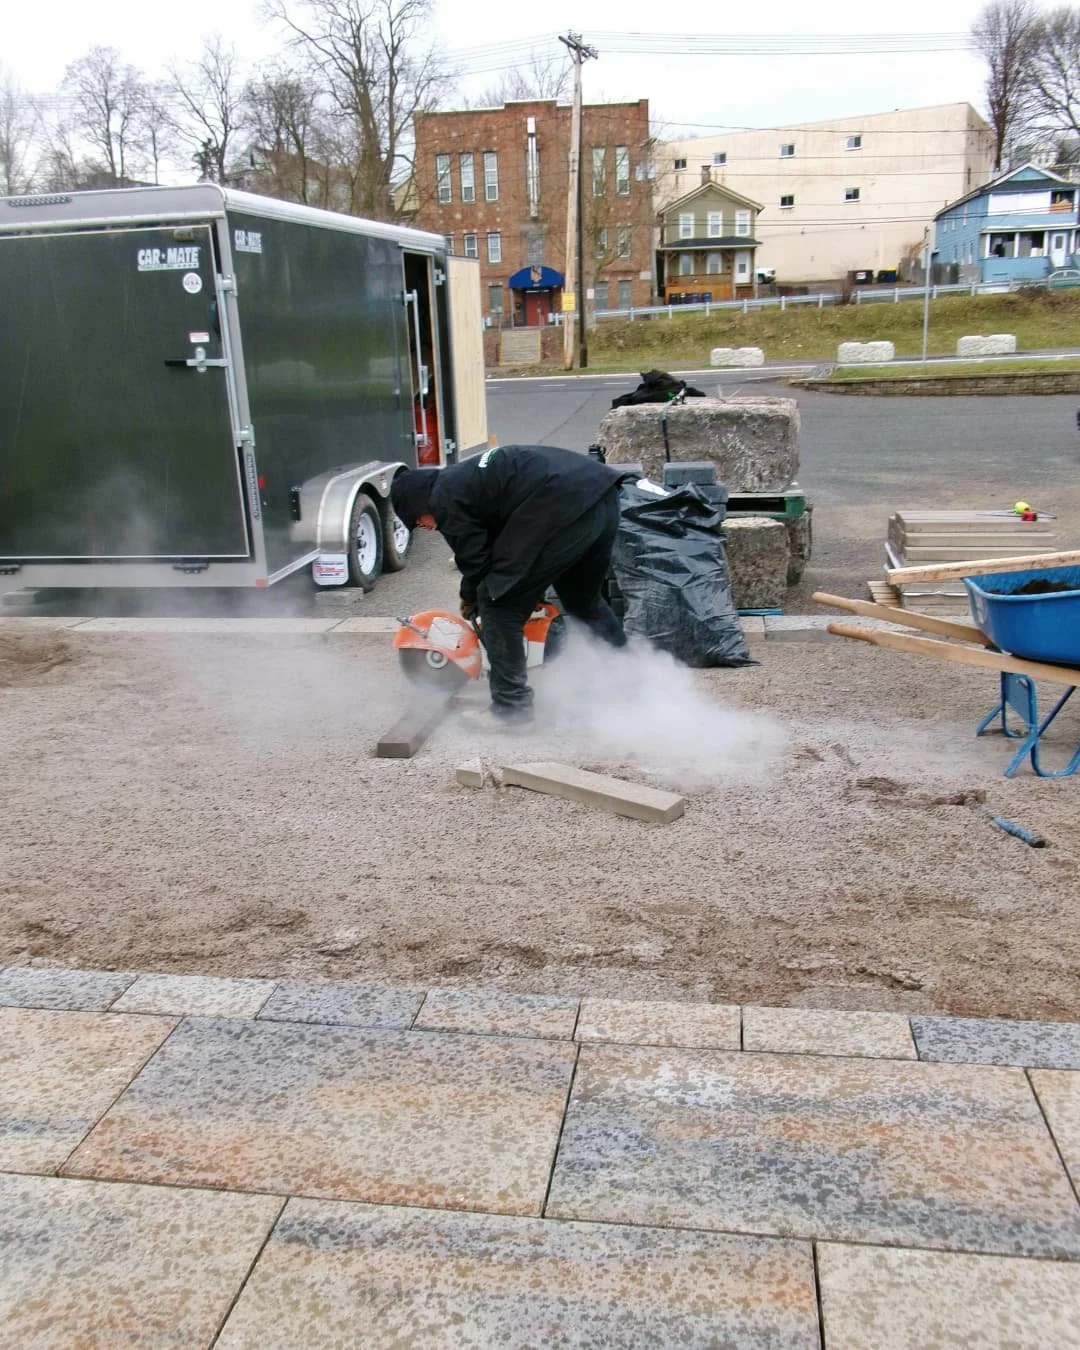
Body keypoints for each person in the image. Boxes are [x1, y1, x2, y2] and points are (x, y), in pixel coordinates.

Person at [391, 444, 628, 728]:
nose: (426, 528)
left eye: (418, 521)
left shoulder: (444, 499)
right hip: (601, 495)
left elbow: (477, 563)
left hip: (559, 507)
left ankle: (511, 708)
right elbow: (493, 553)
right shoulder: (461, 482)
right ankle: (630, 680)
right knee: (582, 600)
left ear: (420, 503)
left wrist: (473, 598)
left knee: (499, 607)